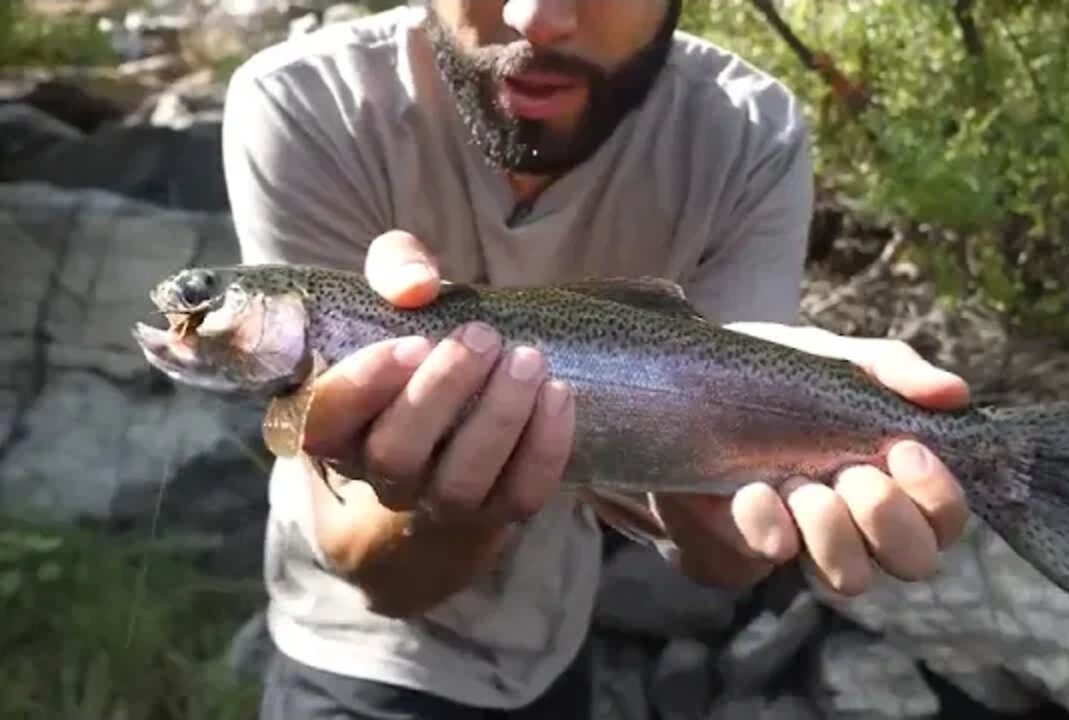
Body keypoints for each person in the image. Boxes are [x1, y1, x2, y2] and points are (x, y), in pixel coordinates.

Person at [221, 1, 973, 717]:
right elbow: (371, 570)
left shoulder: (750, 133)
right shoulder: (304, 103)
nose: (538, 17)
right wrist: (464, 509)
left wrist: (733, 516)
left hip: (557, 641)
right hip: (354, 661)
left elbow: (722, 548)